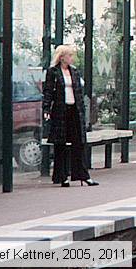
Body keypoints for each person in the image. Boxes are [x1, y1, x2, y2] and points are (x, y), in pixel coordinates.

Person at [43, 45, 98, 187]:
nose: (71, 58)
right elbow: (48, 92)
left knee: (78, 142)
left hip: (74, 110)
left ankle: (82, 174)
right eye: (69, 55)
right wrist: (46, 109)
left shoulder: (74, 72)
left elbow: (79, 91)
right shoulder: (53, 72)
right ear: (62, 57)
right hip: (61, 111)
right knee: (60, 144)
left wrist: (82, 110)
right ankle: (62, 176)